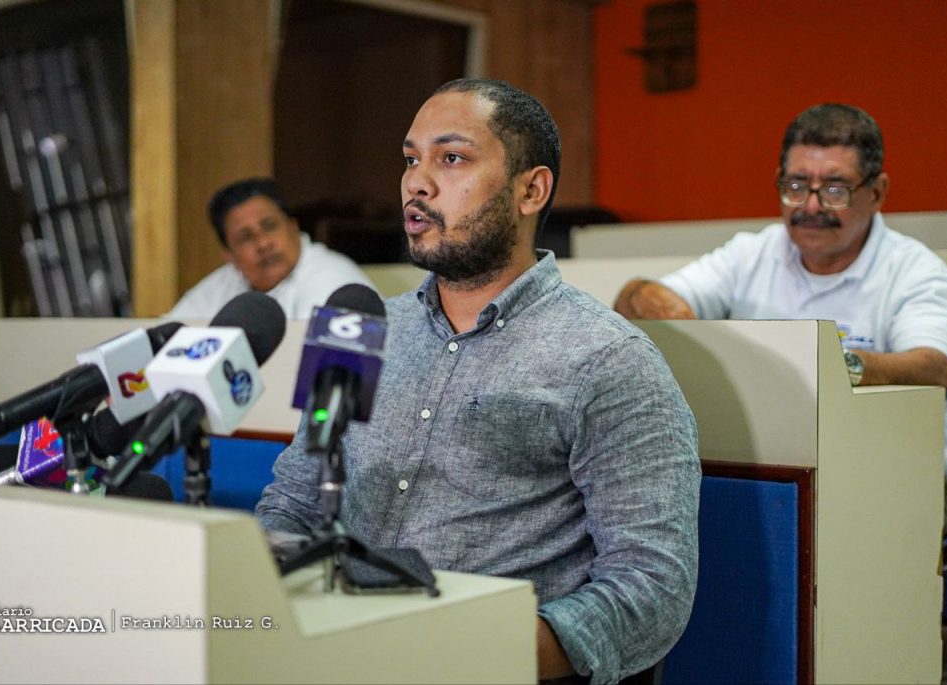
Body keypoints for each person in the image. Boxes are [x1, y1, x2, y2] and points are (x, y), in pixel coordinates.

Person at [256, 78, 700, 683]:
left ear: (531, 190)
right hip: (330, 654)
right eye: (410, 159)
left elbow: (652, 588)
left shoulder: (610, 360)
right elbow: (295, 499)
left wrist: (476, 649)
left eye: (452, 158)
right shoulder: (355, 329)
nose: (417, 182)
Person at [614, 103, 947, 534]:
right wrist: (689, 332)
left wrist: (830, 366)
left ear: (877, 192)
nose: (810, 206)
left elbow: (933, 366)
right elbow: (635, 297)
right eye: (796, 186)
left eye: (834, 189)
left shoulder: (915, 269)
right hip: (770, 474)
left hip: (896, 481)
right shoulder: (752, 253)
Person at [166, 177, 373, 319]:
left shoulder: (332, 279)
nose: (263, 244)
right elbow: (168, 341)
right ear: (229, 256)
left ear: (293, 226)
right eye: (246, 237)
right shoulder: (223, 284)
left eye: (270, 226)